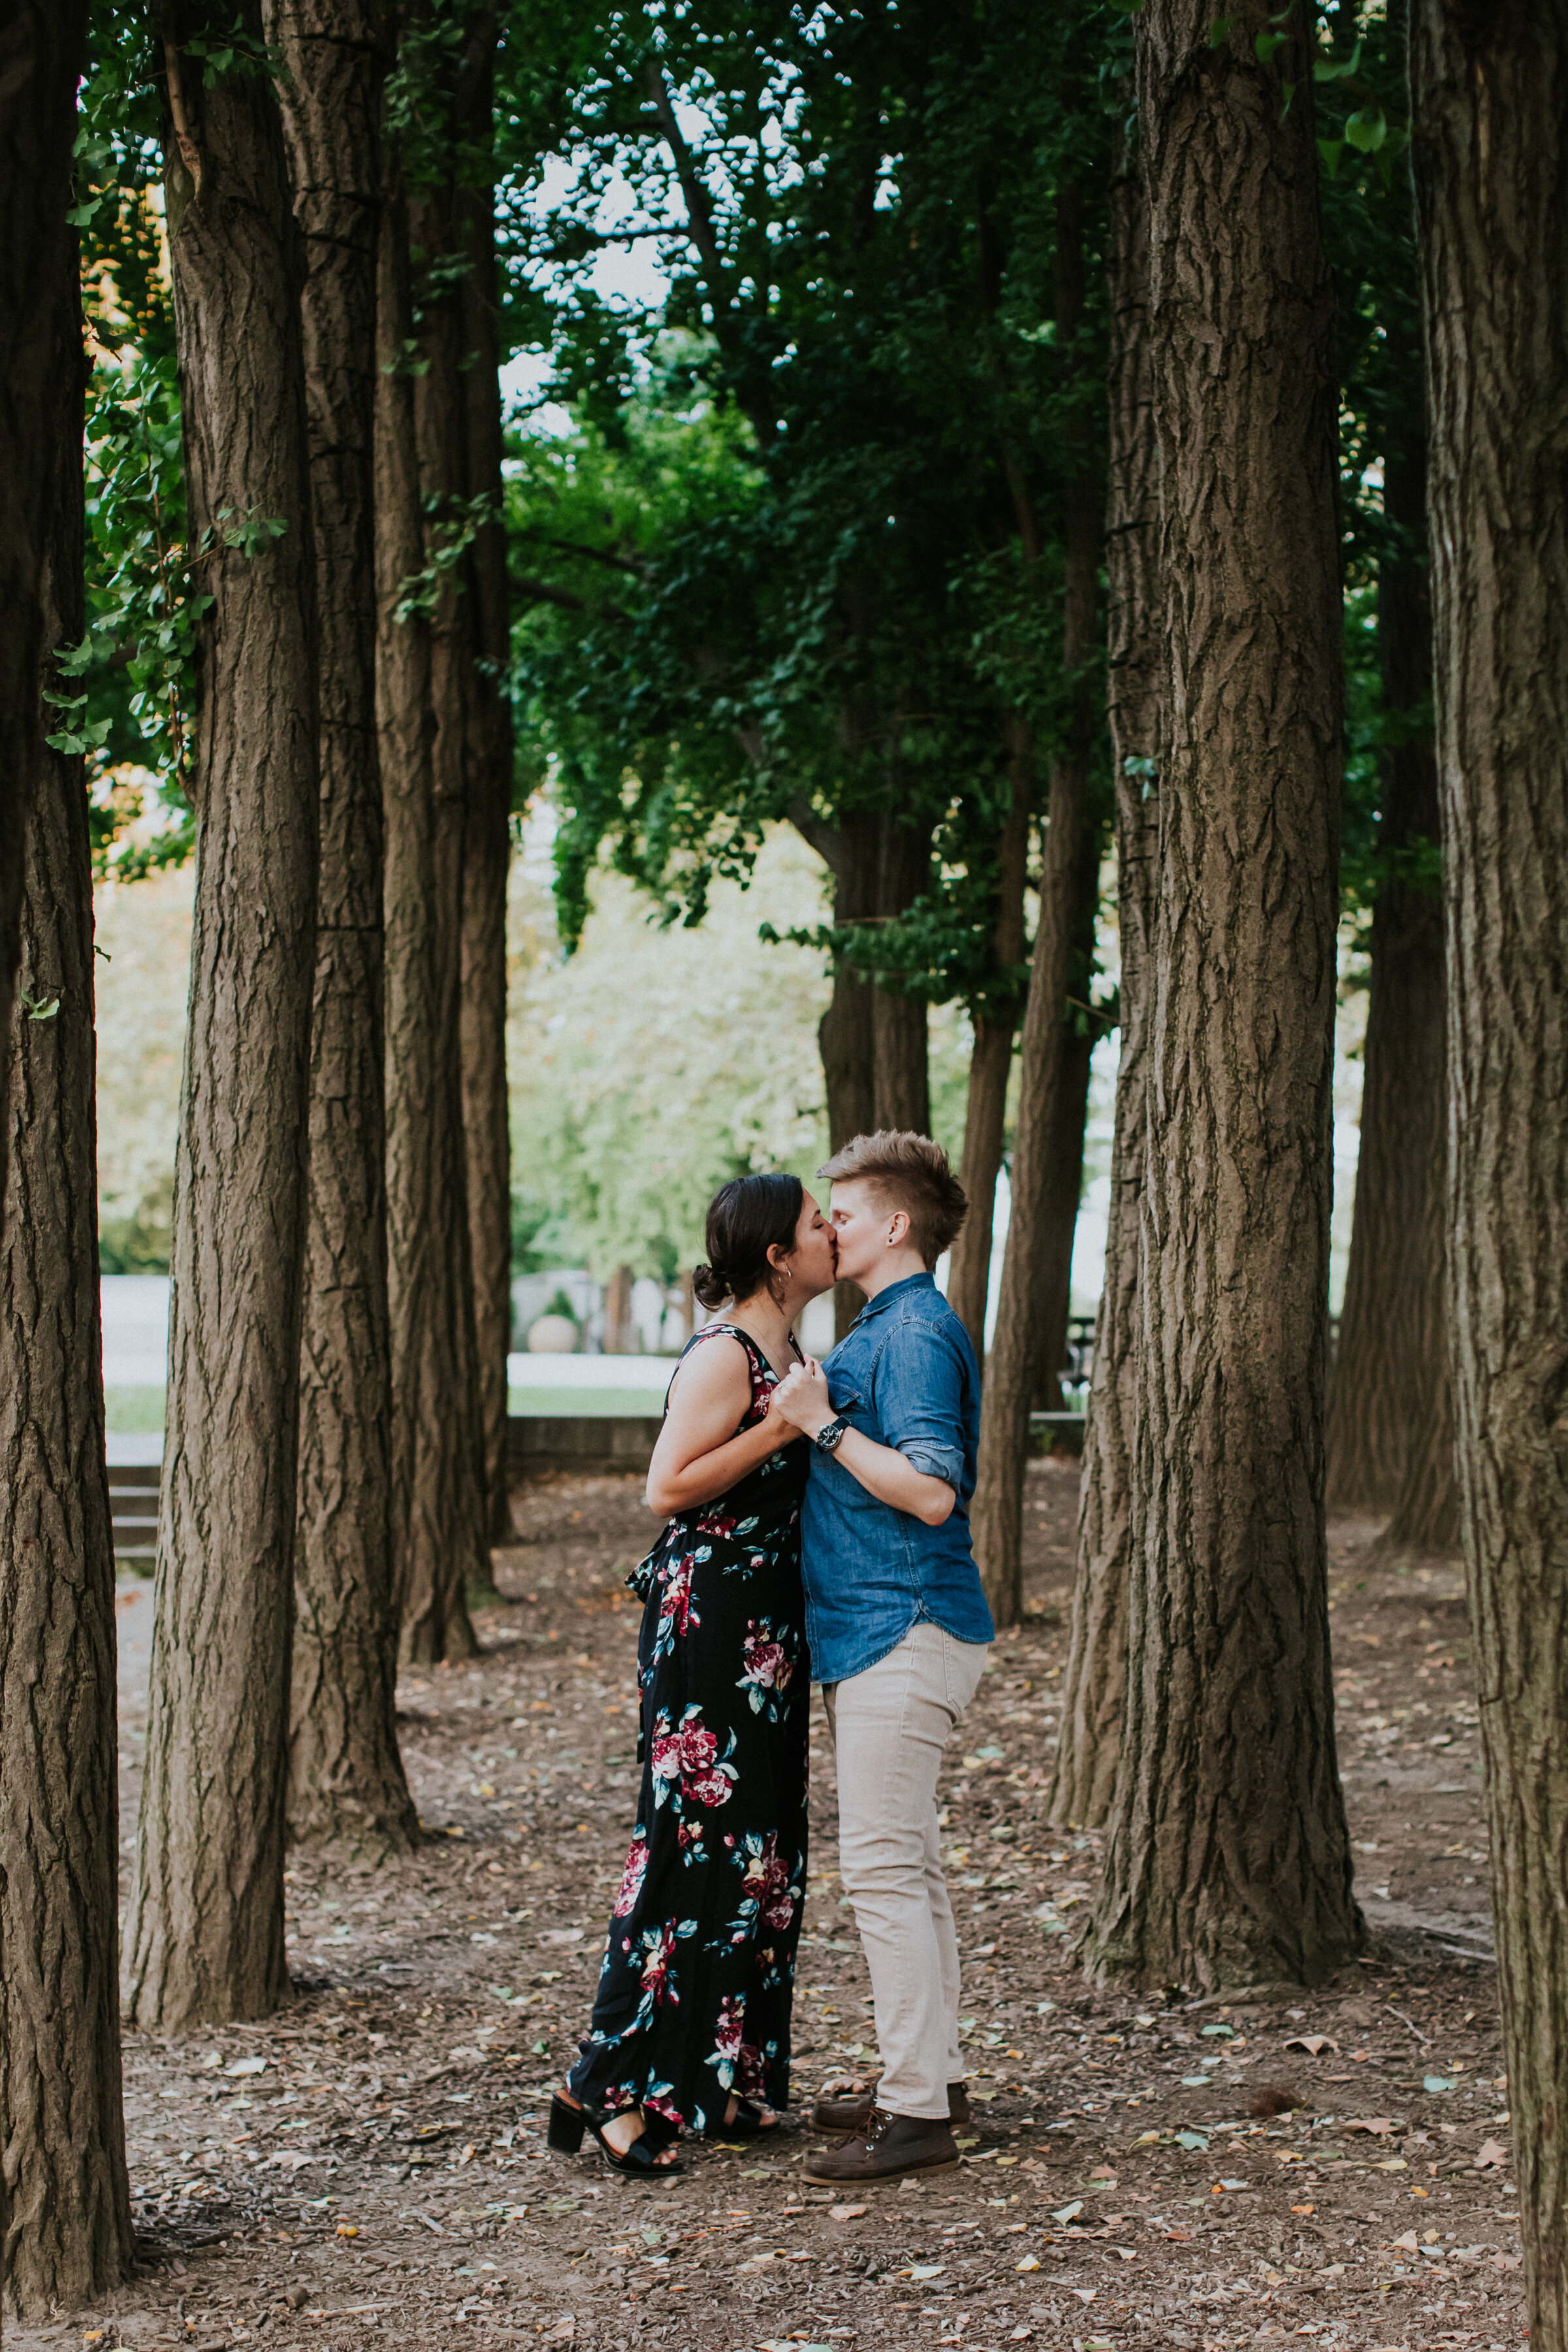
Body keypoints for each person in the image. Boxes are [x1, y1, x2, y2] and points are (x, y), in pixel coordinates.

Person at [549, 1172, 836, 2176]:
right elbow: (665, 1487)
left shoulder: (789, 1350)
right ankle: (604, 2083)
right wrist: (782, 1424)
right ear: (774, 1253)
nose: (831, 1232)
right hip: (709, 1623)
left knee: (757, 1853)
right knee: (689, 1844)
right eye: (815, 1223)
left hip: (766, 1631)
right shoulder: (727, 1353)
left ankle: (716, 2078)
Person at [770, 1129, 994, 2187]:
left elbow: (934, 1490)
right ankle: (931, 2080)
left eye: (844, 1213)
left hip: (904, 1624)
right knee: (907, 1869)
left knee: (883, 1872)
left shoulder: (911, 1335)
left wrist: (818, 1426)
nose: (830, 1227)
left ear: (895, 1225)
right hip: (883, 1627)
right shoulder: (890, 1325)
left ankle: (915, 2117)